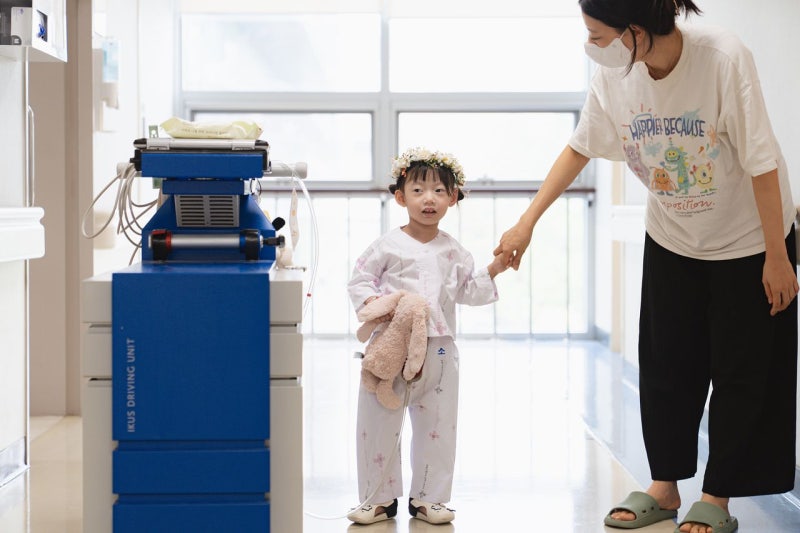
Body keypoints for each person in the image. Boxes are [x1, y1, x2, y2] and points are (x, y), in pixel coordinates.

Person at [494, 1, 797, 532]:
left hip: (748, 242)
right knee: (665, 366)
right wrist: (527, 223)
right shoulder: (618, 73)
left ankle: (718, 496)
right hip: (673, 236)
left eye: (597, 34)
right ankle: (665, 486)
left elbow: (762, 160)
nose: (592, 45)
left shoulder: (722, 58)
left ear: (635, 30)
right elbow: (578, 148)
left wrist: (778, 255)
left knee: (740, 373)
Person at [346, 147, 508, 525]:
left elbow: (469, 290)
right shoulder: (387, 246)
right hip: (391, 346)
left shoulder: (454, 251)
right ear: (400, 196)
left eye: (438, 190)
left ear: (454, 197)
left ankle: (429, 498)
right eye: (418, 191)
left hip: (439, 351)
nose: (428, 199)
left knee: (438, 426)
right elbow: (359, 279)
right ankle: (377, 498)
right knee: (377, 421)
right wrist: (378, 303)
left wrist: (496, 268)